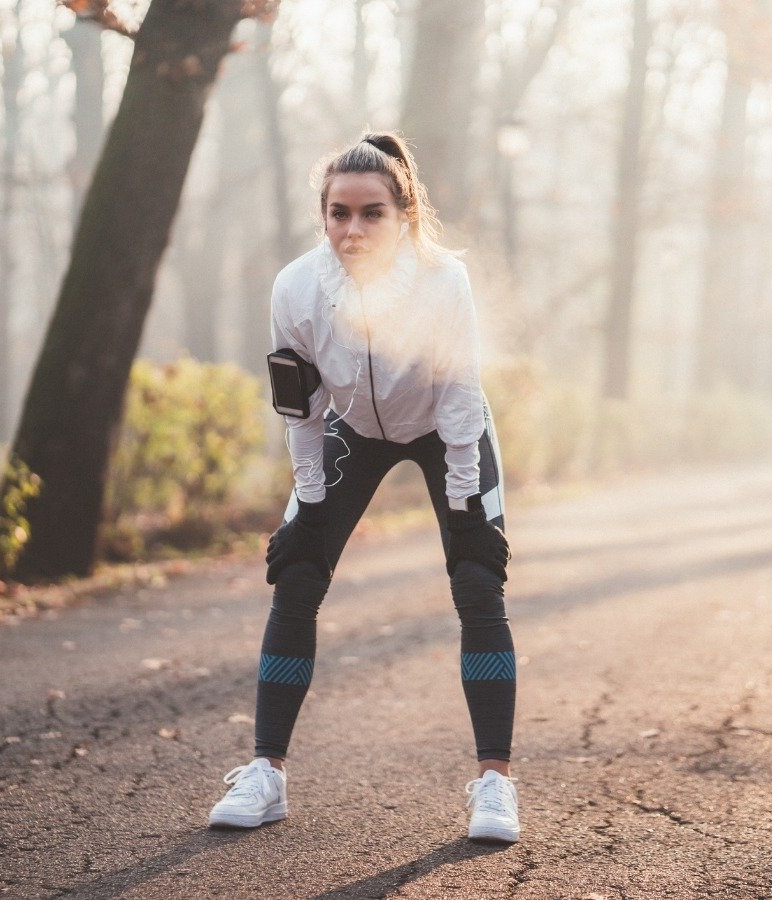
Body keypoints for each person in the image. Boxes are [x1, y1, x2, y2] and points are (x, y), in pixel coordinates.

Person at [207, 132, 520, 843]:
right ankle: (267, 775)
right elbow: (301, 405)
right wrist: (310, 504)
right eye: (338, 213)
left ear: (403, 214)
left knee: (477, 580)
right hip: (352, 426)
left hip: (446, 427)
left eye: (371, 213)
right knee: (297, 574)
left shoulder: (445, 282)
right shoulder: (296, 287)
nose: (352, 229)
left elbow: (463, 393)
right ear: (322, 215)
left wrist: (467, 505)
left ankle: (496, 784)